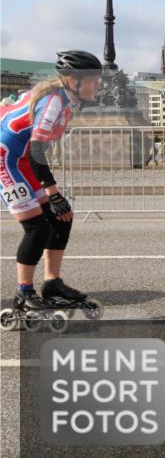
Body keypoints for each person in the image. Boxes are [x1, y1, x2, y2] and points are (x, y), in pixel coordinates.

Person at [0, 50, 103, 315]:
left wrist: (55, 197)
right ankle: (23, 293)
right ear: (72, 79)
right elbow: (37, 149)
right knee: (37, 228)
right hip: (6, 159)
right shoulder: (54, 101)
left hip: (21, 159)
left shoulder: (64, 98)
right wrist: (52, 191)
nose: (99, 84)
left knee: (61, 217)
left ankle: (52, 283)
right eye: (93, 79)